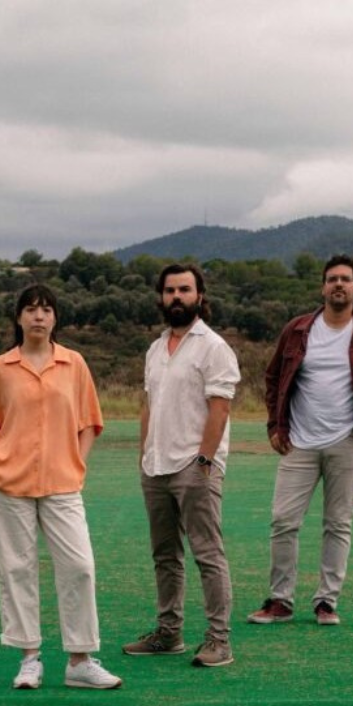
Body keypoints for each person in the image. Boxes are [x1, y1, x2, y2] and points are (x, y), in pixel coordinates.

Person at [0, 284, 122, 692]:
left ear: (55, 318)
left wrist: (77, 462)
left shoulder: (74, 364)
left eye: (47, 310)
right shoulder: (0, 368)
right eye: (31, 309)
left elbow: (90, 421)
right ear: (18, 317)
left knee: (79, 566)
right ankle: (29, 659)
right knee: (17, 568)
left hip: (62, 481)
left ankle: (80, 661)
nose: (39, 316)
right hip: (9, 482)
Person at [249, 254, 353, 628]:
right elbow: (273, 378)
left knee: (337, 523)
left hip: (349, 441)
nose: (338, 284)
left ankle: (326, 601)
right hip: (299, 442)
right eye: (332, 279)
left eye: (345, 279)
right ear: (322, 287)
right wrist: (276, 425)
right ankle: (280, 601)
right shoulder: (297, 330)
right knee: (283, 521)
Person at [123, 263, 241, 669]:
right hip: (156, 466)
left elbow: (220, 408)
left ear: (199, 296)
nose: (177, 296)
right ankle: (168, 632)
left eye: (185, 290)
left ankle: (219, 640)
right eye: (170, 290)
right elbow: (148, 405)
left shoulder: (213, 347)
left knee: (208, 554)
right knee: (165, 554)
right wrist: (144, 456)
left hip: (195, 466)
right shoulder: (156, 349)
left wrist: (204, 460)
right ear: (161, 297)